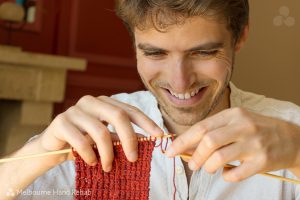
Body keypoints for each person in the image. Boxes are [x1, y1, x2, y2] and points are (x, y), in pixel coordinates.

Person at [1, 0, 300, 199]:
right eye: (155, 53)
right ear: (133, 44)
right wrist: (40, 153)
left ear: (240, 36)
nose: (180, 81)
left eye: (203, 52)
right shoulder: (93, 130)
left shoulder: (290, 128)